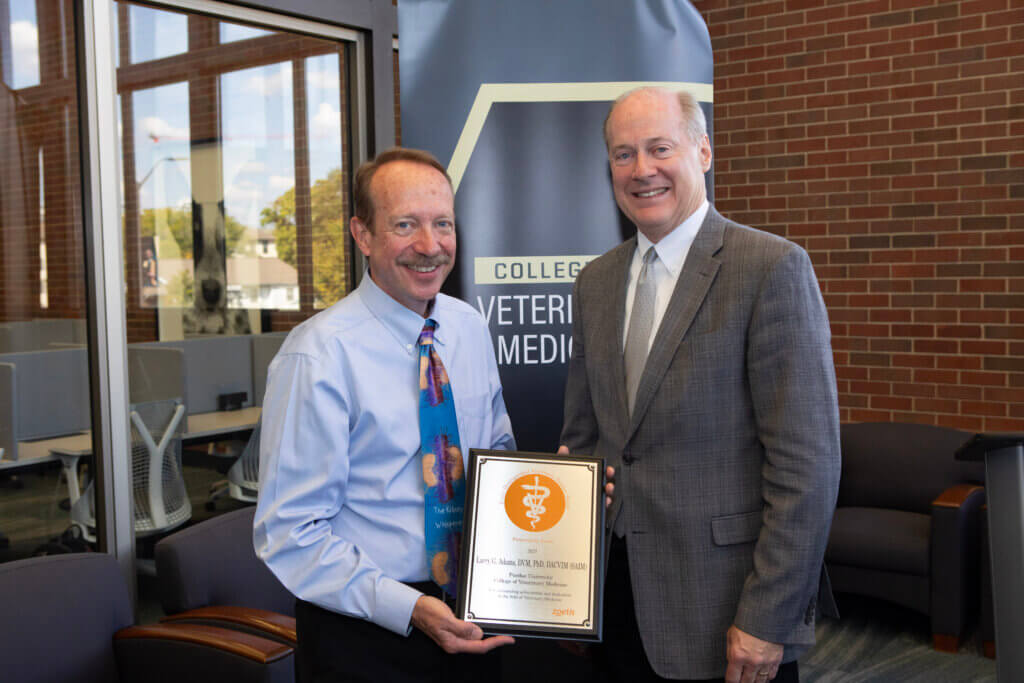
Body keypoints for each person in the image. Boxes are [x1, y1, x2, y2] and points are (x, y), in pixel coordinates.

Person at [559, 87, 841, 683]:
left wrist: (768, 618)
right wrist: (569, 592)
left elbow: (806, 468)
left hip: (727, 612)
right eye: (623, 154)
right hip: (617, 606)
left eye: (660, 148)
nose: (642, 170)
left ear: (703, 151)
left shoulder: (770, 268)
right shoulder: (594, 284)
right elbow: (584, 441)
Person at [254, 147, 516, 683]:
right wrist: (407, 608)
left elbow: (498, 454)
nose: (429, 246)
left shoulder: (467, 328)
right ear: (363, 235)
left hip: (472, 608)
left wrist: (550, 493)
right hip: (366, 635)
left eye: (443, 224)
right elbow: (290, 532)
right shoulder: (319, 355)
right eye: (405, 225)